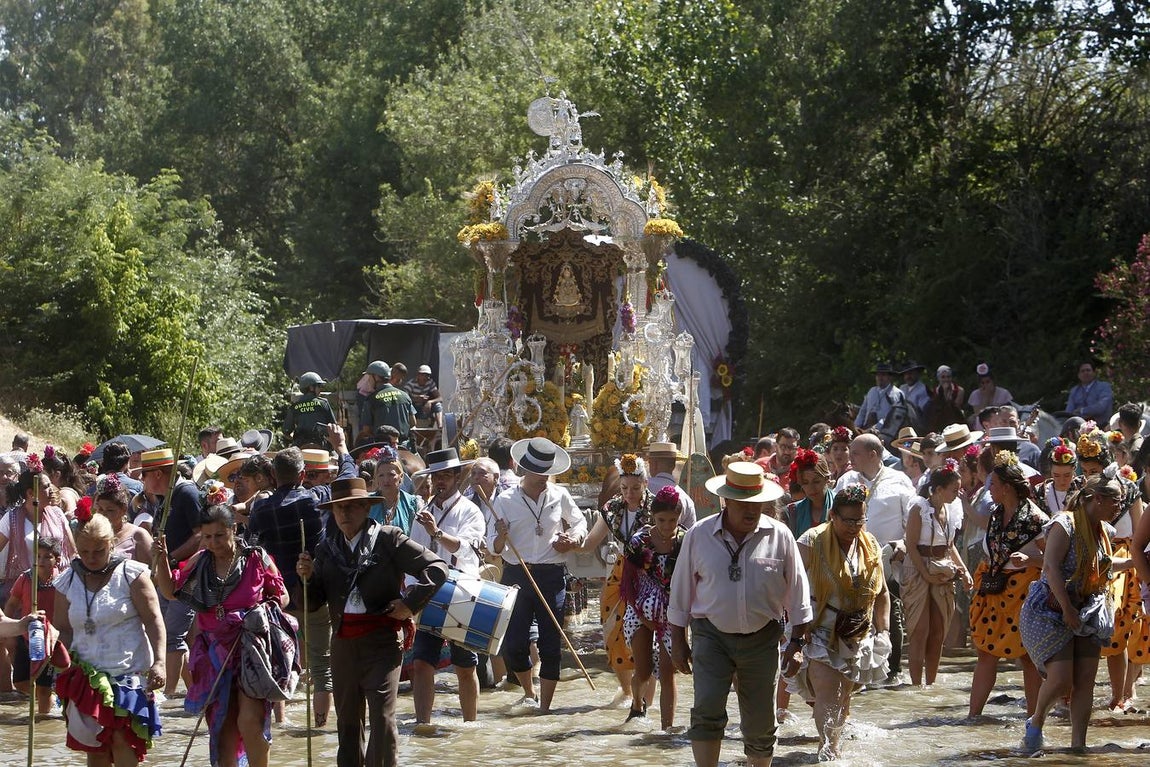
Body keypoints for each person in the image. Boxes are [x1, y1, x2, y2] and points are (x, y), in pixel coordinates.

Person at [297, 477, 448, 767]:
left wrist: (409, 604)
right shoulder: (326, 549)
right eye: (339, 509)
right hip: (343, 644)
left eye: (352, 507)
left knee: (381, 719)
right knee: (348, 724)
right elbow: (312, 602)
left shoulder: (389, 538)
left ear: (367, 508)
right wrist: (306, 577)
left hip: (382, 640)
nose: (344, 514)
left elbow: (437, 567)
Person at [669, 461, 810, 767]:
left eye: (757, 504)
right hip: (710, 635)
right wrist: (677, 642)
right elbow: (680, 594)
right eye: (744, 504)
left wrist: (797, 643)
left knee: (760, 721)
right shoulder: (698, 535)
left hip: (763, 637)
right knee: (706, 709)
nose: (752, 511)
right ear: (726, 501)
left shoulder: (781, 536)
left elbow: (799, 595)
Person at [154, 502, 294, 767]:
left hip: (251, 652)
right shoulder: (200, 560)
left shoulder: (256, 558)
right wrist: (161, 559)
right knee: (223, 727)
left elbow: (283, 596)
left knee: (250, 720)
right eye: (207, 537)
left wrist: (261, 609)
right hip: (213, 655)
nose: (213, 542)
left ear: (233, 529)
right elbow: (171, 591)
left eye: (219, 535)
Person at [1020, 473, 1126, 753]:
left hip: (1088, 607)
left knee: (1085, 681)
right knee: (1061, 679)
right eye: (1117, 501)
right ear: (1098, 499)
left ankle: (1078, 744)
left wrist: (1133, 562)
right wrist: (1067, 608)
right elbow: (1051, 568)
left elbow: (1103, 566)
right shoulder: (1064, 524)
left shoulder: (1105, 530)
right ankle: (1037, 720)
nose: (1120, 507)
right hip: (1053, 608)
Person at [789, 482, 891, 760]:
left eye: (860, 519)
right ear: (832, 515)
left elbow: (882, 592)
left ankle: (833, 748)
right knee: (829, 694)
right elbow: (789, 586)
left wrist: (885, 631)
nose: (855, 525)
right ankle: (828, 752)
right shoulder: (810, 542)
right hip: (818, 628)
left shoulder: (870, 544)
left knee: (845, 698)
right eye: (848, 520)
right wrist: (796, 628)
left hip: (858, 630)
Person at [54, 513, 165, 766]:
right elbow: (63, 629)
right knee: (96, 749)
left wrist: (160, 663)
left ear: (111, 545)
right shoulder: (66, 581)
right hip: (86, 675)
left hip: (128, 673)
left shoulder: (132, 575)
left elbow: (154, 620)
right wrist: (54, 658)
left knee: (122, 740)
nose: (91, 558)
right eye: (85, 552)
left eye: (99, 551)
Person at [490, 437, 588, 713]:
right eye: (538, 472)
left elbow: (580, 521)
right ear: (524, 469)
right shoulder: (505, 500)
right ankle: (529, 692)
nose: (544, 477)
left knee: (551, 643)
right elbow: (492, 547)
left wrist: (572, 537)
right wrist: (501, 535)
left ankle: (545, 707)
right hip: (516, 575)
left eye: (547, 472)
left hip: (551, 574)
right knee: (514, 644)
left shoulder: (559, 495)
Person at [408, 448, 486, 725]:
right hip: (428, 592)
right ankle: (423, 725)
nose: (440, 482)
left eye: (445, 476)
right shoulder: (423, 512)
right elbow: (412, 556)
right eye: (436, 477)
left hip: (461, 592)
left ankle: (470, 726)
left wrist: (437, 533)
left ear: (456, 477)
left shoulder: (470, 511)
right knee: (421, 664)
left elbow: (467, 551)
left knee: (464, 666)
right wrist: (409, 589)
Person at [967, 451, 1048, 718]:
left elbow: (1051, 559)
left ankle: (1033, 719)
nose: (988, 488)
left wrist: (1029, 559)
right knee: (986, 653)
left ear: (1007, 487)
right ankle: (973, 717)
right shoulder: (995, 513)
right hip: (994, 588)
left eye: (992, 484)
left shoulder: (1036, 519)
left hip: (1023, 591)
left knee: (1027, 656)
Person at [835, 433, 916, 684]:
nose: (850, 457)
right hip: (850, 557)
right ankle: (855, 668)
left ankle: (890, 671)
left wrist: (903, 543)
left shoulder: (899, 480)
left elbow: (911, 519)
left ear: (873, 455)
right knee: (851, 612)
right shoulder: (847, 479)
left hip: (886, 558)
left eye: (855, 453)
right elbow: (834, 516)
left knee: (889, 612)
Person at [579, 453, 654, 704]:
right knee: (612, 629)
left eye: (635, 488)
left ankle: (647, 699)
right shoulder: (613, 508)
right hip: (620, 571)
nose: (629, 494)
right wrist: (570, 544)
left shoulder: (657, 508)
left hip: (649, 573)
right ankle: (626, 688)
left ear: (645, 484)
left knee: (647, 634)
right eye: (624, 488)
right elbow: (590, 542)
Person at [902, 459, 973, 687]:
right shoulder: (919, 508)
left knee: (937, 631)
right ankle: (915, 686)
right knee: (919, 630)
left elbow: (950, 545)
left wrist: (964, 571)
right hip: (918, 568)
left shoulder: (952, 510)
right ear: (939, 489)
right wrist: (925, 574)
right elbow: (911, 545)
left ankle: (930, 685)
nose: (957, 493)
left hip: (942, 568)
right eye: (954, 489)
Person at [138, 447, 201, 698]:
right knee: (166, 632)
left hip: (185, 575)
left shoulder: (186, 493)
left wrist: (172, 558)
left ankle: (169, 696)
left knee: (173, 635)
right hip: (165, 575)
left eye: (143, 474)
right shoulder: (164, 499)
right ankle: (194, 691)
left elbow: (200, 535)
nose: (141, 480)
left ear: (157, 473)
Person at [621, 485, 685, 728]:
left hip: (672, 615)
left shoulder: (684, 541)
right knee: (644, 670)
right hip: (639, 611)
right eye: (662, 520)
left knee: (668, 674)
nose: (668, 526)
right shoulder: (638, 542)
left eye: (672, 520)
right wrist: (642, 614)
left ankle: (667, 729)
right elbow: (628, 584)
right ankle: (637, 704)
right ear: (653, 517)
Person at [3, 536, 62, 715]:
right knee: (20, 681)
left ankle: (43, 721)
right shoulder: (26, 578)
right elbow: (12, 604)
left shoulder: (63, 581)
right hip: (27, 636)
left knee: (43, 686)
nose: (41, 561)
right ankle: (49, 698)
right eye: (38, 556)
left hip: (49, 641)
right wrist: (8, 632)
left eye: (47, 557)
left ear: (57, 560)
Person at [93, 473, 154, 564]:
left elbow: (153, 573)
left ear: (123, 510)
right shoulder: (93, 533)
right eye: (100, 509)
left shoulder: (138, 535)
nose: (103, 514)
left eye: (110, 510)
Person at [363, 360, 417, 443]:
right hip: (404, 445)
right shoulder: (405, 395)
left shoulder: (371, 399)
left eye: (369, 377)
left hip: (382, 446)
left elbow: (366, 430)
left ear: (376, 377)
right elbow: (413, 422)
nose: (368, 380)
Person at [646, 441, 698, 528]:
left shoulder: (641, 486)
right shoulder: (687, 500)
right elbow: (690, 536)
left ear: (653, 464)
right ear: (673, 465)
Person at [368, 445, 418, 534]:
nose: (386, 480)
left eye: (391, 475)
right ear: (376, 478)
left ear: (401, 476)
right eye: (381, 475)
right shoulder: (368, 502)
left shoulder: (412, 503)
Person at [785, 449, 834, 538]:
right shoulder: (793, 512)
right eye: (806, 482)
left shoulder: (840, 506)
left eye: (816, 482)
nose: (811, 488)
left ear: (827, 479)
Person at [284, 372, 337, 447]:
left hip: (300, 446)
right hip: (321, 446)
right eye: (319, 386)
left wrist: (296, 440)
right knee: (337, 457)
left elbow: (286, 431)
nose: (321, 389)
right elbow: (333, 427)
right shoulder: (323, 403)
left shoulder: (294, 407)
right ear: (311, 388)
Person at [855, 362, 906, 432]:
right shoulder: (871, 391)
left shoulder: (897, 393)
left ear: (890, 377)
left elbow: (892, 417)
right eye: (878, 375)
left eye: (883, 375)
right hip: (865, 428)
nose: (880, 378)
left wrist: (874, 428)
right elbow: (862, 411)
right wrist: (856, 427)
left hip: (885, 432)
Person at [927, 365, 966, 433]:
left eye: (948, 377)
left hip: (956, 416)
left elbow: (956, 406)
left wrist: (946, 393)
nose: (946, 379)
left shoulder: (960, 390)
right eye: (943, 377)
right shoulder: (935, 392)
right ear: (938, 378)